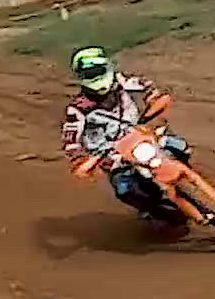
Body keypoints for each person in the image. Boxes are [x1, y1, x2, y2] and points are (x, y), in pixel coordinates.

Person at [61, 47, 191, 219]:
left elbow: (147, 86)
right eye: (90, 73)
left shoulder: (121, 82)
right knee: (125, 189)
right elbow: (71, 141)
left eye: (98, 71)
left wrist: (152, 99)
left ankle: (187, 179)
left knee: (180, 147)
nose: (95, 77)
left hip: (139, 137)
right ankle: (152, 209)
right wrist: (81, 160)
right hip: (113, 155)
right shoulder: (77, 109)